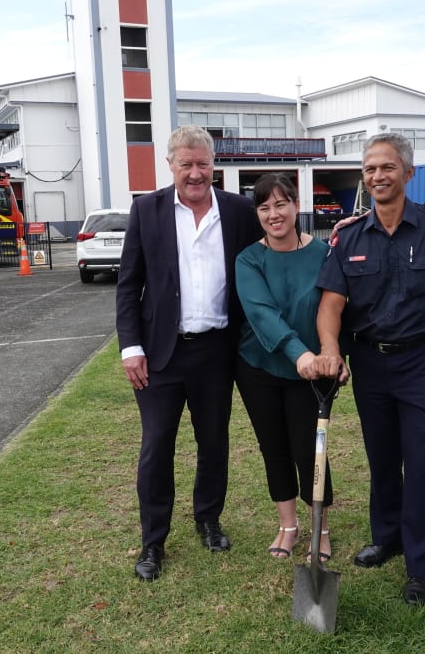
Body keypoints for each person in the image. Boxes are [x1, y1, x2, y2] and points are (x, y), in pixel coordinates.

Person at [313, 132, 425, 606]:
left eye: (388, 167)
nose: (378, 176)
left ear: (408, 173)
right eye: (371, 168)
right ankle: (388, 536)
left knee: (422, 464)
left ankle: (421, 567)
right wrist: (331, 348)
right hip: (369, 363)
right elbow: (331, 304)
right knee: (382, 459)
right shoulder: (349, 235)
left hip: (421, 361)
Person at [116, 125, 263, 582]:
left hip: (218, 351)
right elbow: (128, 284)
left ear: (214, 164)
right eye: (186, 164)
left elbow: (277, 244)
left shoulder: (239, 211)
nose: (195, 173)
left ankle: (208, 518)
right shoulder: (147, 210)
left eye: (203, 164)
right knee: (157, 446)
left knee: (214, 441)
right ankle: (153, 540)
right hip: (160, 353)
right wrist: (131, 347)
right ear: (171, 165)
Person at [234, 173, 347, 563]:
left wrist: (334, 356)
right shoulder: (249, 259)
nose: (273, 213)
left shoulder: (323, 253)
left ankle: (321, 528)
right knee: (275, 448)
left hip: (312, 373)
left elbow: (335, 308)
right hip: (259, 368)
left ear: (297, 206)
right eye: (264, 207)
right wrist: (299, 354)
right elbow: (263, 314)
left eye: (281, 204)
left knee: (311, 449)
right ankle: (288, 526)